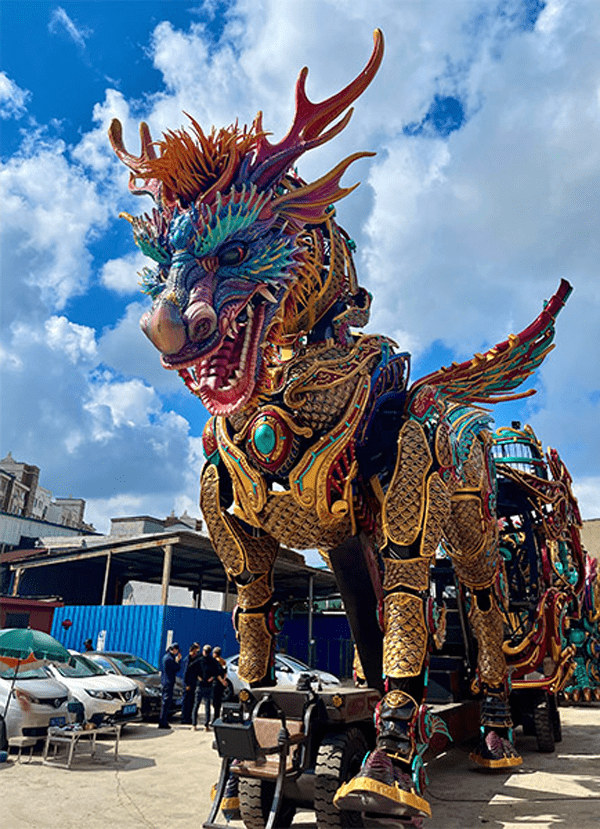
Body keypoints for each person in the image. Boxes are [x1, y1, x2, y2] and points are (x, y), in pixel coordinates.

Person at [191, 644, 223, 731]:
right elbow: (218, 671)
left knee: (200, 705)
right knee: (203, 705)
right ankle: (201, 725)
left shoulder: (203, 660)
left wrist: (209, 677)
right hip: (204, 685)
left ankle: (199, 725)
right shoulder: (209, 661)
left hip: (203, 685)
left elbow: (191, 668)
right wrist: (211, 677)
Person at [158, 642, 182, 729]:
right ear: (174, 650)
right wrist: (178, 661)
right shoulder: (170, 659)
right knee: (166, 702)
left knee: (166, 702)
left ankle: (163, 720)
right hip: (168, 682)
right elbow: (177, 668)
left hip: (165, 681)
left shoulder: (166, 657)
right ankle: (163, 721)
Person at [181, 642, 200, 725]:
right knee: (186, 702)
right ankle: (184, 718)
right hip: (188, 684)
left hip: (193, 683)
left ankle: (189, 718)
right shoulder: (187, 660)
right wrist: (186, 685)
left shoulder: (195, 659)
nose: (196, 653)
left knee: (191, 701)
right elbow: (185, 673)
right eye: (195, 651)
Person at [211, 646, 229, 723]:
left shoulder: (215, 662)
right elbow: (225, 672)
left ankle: (215, 718)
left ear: (215, 653)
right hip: (221, 685)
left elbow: (217, 674)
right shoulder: (223, 661)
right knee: (219, 702)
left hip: (216, 683)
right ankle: (217, 716)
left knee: (214, 702)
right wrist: (224, 681)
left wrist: (221, 681)